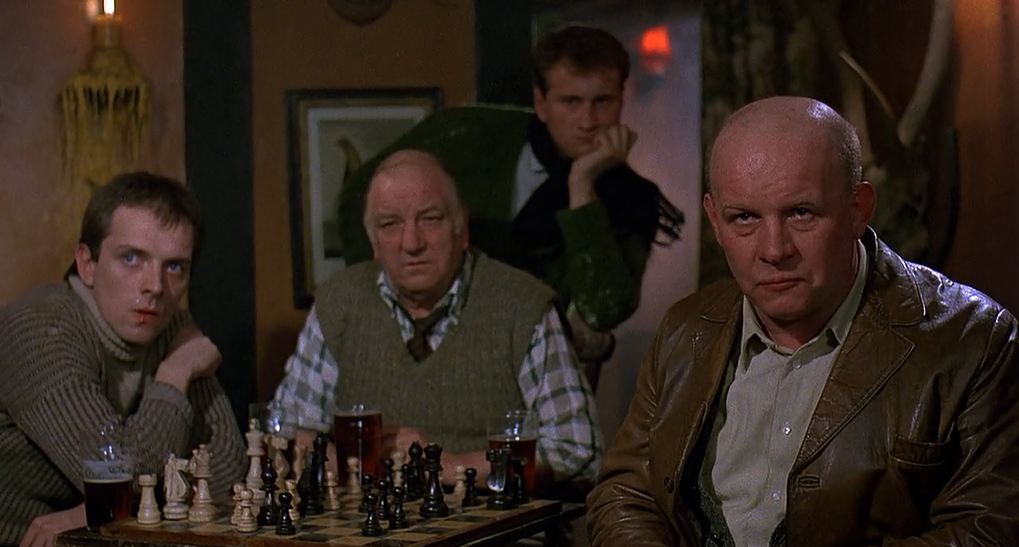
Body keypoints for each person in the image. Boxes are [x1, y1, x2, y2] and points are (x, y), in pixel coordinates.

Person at [586, 96, 1019, 545]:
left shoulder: (972, 340)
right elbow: (626, 491)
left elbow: (989, 528)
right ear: (714, 220)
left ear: (858, 208)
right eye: (744, 218)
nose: (774, 250)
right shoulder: (687, 329)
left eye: (801, 213)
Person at [273, 150, 602, 494]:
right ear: (374, 243)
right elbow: (288, 430)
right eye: (390, 224)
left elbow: (579, 451)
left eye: (430, 219)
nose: (412, 243)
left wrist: (449, 465)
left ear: (462, 230)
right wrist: (349, 464)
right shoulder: (340, 302)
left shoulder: (522, 306)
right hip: (374, 519)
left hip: (493, 522)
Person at [337, 26, 683, 339]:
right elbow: (359, 195)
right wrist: (389, 307)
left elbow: (603, 310)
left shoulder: (630, 197)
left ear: (621, 101)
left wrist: (582, 185)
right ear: (541, 103)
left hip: (535, 350)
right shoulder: (469, 135)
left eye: (602, 102)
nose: (588, 121)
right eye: (571, 102)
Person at [0, 173, 247, 546]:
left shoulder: (169, 325)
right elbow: (128, 472)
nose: (155, 286)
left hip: (99, 538)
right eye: (131, 258)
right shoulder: (39, 331)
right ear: (87, 264)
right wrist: (176, 372)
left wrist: (106, 508)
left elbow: (228, 471)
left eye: (174, 267)